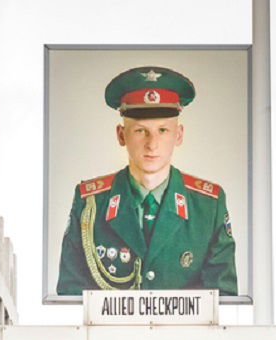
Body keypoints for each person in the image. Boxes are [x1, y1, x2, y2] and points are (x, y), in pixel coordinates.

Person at [55, 65, 237, 296]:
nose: (152, 144)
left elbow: (223, 304)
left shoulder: (208, 205)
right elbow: (71, 298)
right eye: (140, 131)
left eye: (163, 130)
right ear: (121, 135)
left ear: (178, 135)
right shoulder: (91, 202)